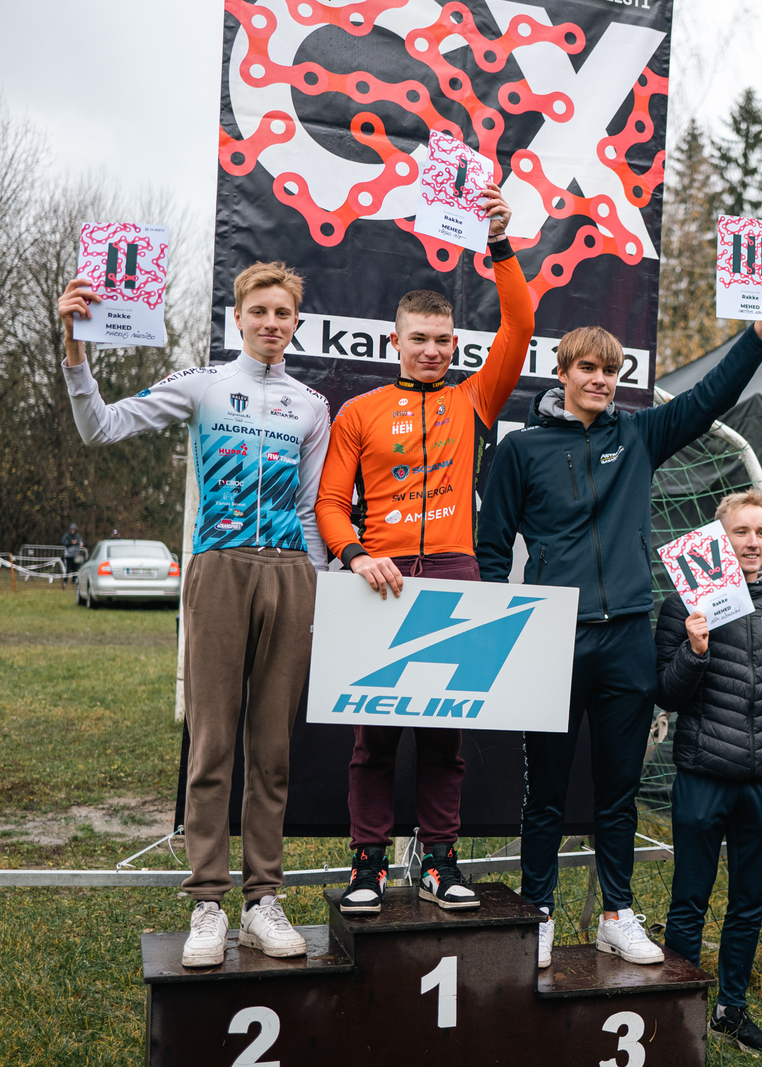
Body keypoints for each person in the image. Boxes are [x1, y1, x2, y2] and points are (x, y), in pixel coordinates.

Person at [477, 270, 762, 970]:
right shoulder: (520, 450)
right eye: (587, 369)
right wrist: (501, 631)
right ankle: (538, 911)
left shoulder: (640, 433)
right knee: (546, 793)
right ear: (562, 373)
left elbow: (712, 396)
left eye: (610, 371)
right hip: (551, 635)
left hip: (627, 636)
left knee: (618, 791)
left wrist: (761, 331)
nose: (600, 380)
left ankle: (616, 914)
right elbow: (492, 547)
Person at [57, 261, 330, 968]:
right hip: (219, 569)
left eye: (283, 313)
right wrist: (76, 352)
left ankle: (262, 900)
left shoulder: (310, 404)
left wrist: (317, 589)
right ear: (237, 318)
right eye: (259, 311)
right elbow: (100, 427)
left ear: (296, 323)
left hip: (289, 574)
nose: (271, 322)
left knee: (273, 752)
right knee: (211, 745)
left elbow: (308, 510)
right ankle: (208, 900)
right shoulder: (203, 384)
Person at [315, 184, 529, 916]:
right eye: (419, 339)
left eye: (443, 340)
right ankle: (367, 867)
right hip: (377, 580)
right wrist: (353, 555)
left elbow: (521, 324)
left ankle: (440, 862)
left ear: (454, 345)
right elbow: (330, 505)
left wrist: (498, 243)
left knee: (445, 740)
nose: (432, 350)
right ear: (395, 342)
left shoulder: (474, 399)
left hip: (453, 573)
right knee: (372, 740)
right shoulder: (359, 411)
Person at [655, 489, 762, 1054]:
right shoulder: (683, 603)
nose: (753, 542)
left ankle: (731, 1011)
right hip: (703, 775)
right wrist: (694, 650)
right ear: (719, 539)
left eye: (761, 532)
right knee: (689, 901)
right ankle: (678, 1014)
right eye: (741, 531)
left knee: (749, 904)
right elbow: (666, 693)